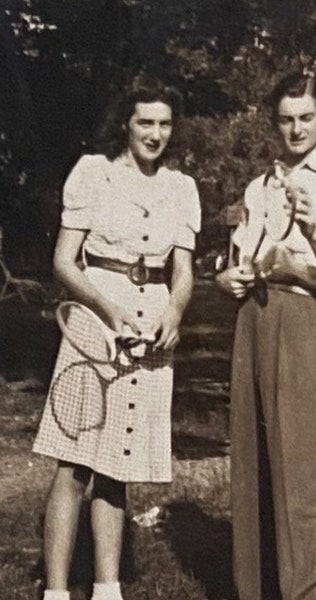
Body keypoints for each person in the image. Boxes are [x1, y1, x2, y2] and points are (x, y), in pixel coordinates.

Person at [33, 73, 201, 600]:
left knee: (116, 463)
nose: (155, 133)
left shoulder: (181, 186)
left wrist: (173, 310)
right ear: (125, 124)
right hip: (95, 316)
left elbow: (185, 271)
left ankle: (108, 588)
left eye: (164, 124)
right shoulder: (93, 173)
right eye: (145, 122)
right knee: (76, 459)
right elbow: (64, 261)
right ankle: (56, 591)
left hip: (151, 325)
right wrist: (110, 310)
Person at [216, 72, 316, 600]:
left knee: (305, 472)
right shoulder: (260, 185)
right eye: (286, 119)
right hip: (252, 318)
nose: (296, 128)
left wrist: (312, 235)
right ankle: (255, 590)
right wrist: (226, 276)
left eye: (306, 117)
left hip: (305, 319)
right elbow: (238, 257)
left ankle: (312, 592)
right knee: (252, 468)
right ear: (274, 122)